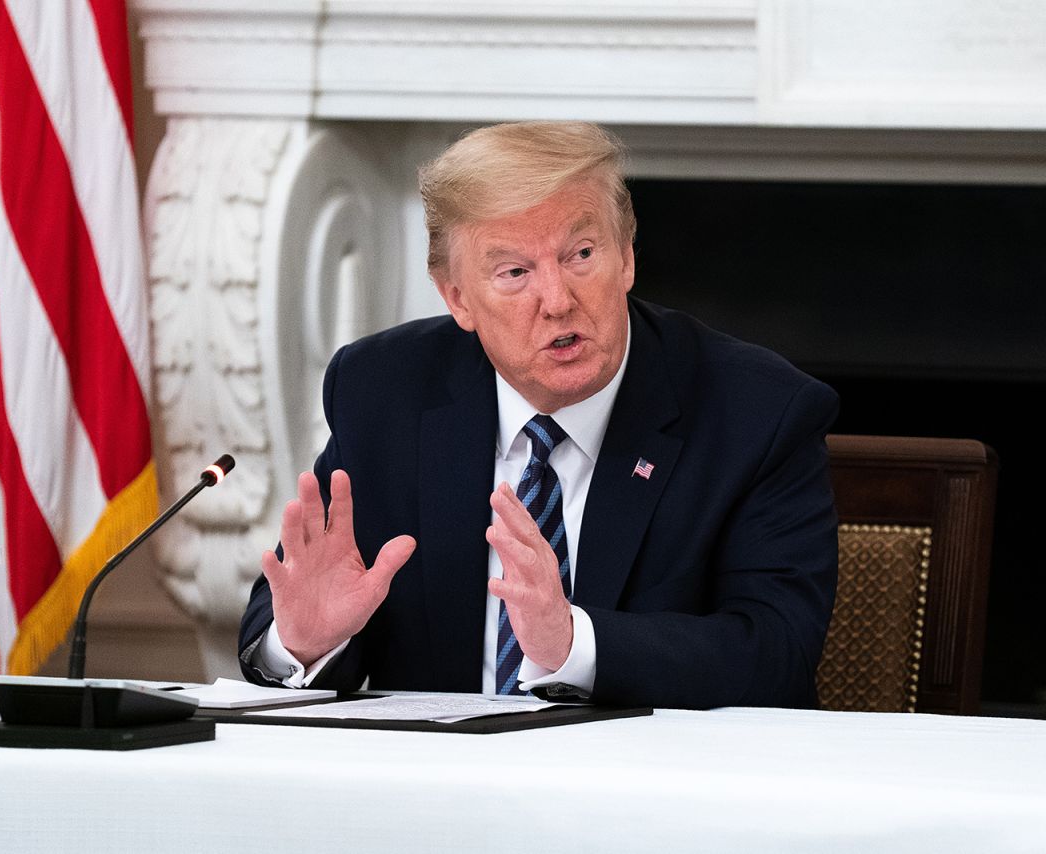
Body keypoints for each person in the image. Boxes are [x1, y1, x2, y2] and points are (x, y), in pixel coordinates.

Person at [239, 121, 839, 709]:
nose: (557, 301)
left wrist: (576, 645)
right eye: (515, 273)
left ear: (627, 257)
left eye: (580, 254)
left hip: (653, 788)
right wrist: (306, 642)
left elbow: (777, 655)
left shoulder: (758, 412)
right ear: (456, 298)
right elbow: (304, 598)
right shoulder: (385, 392)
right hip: (437, 789)